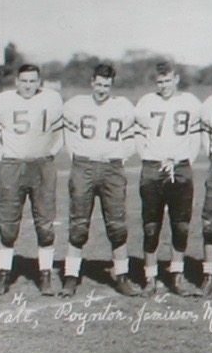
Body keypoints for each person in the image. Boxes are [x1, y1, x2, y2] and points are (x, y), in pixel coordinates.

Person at [66, 62, 149, 295]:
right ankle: (71, 275)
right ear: (92, 82)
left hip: (112, 168)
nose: (102, 89)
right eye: (99, 84)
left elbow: (134, 137)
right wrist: (81, 158)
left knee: (117, 224)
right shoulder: (76, 105)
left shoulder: (123, 106)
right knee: (79, 224)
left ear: (112, 85)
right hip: (84, 166)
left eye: (107, 85)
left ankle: (121, 275)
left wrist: (119, 157)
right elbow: (68, 135)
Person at [0, 63, 65, 295]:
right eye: (24, 81)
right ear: (16, 82)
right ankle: (3, 275)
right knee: (8, 225)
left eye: (33, 81)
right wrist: (7, 158)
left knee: (45, 224)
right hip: (12, 166)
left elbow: (60, 135)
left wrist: (50, 154)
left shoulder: (51, 100)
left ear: (39, 82)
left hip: (41, 166)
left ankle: (45, 275)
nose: (28, 85)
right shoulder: (3, 101)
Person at [125, 61, 197, 296]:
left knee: (181, 225)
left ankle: (177, 276)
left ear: (176, 79)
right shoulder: (146, 102)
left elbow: (196, 136)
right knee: (151, 225)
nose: (164, 86)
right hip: (153, 168)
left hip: (180, 168)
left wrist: (186, 160)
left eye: (168, 81)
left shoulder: (191, 102)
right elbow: (137, 134)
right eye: (160, 82)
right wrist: (148, 157)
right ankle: (150, 277)